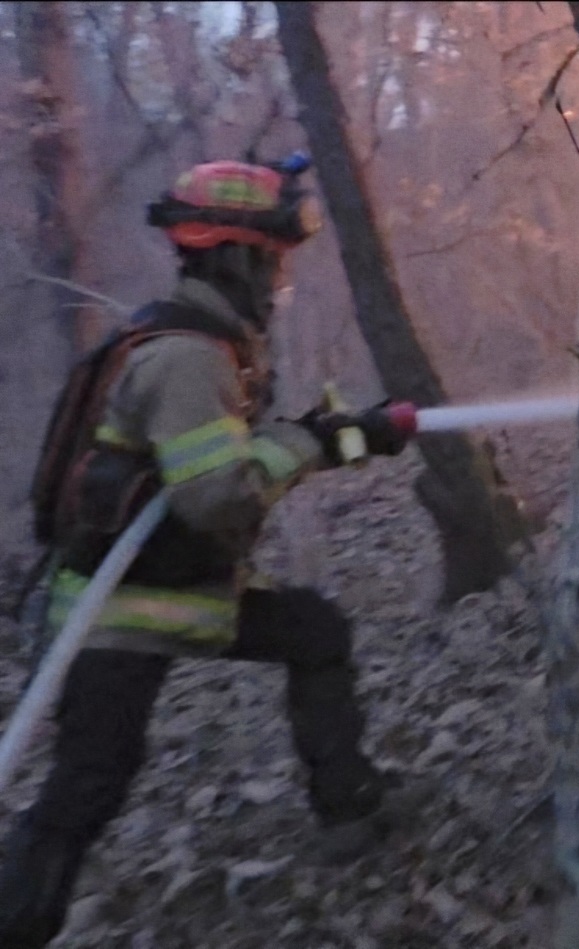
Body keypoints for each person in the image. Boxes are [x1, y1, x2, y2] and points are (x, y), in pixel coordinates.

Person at [0, 158, 414, 947]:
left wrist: (346, 436)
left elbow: (235, 460)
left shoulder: (207, 345)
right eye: (272, 262)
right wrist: (305, 442)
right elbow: (216, 494)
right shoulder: (188, 356)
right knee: (87, 784)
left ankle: (351, 809)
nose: (278, 282)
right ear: (235, 255)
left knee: (315, 631)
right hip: (119, 612)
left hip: (176, 589)